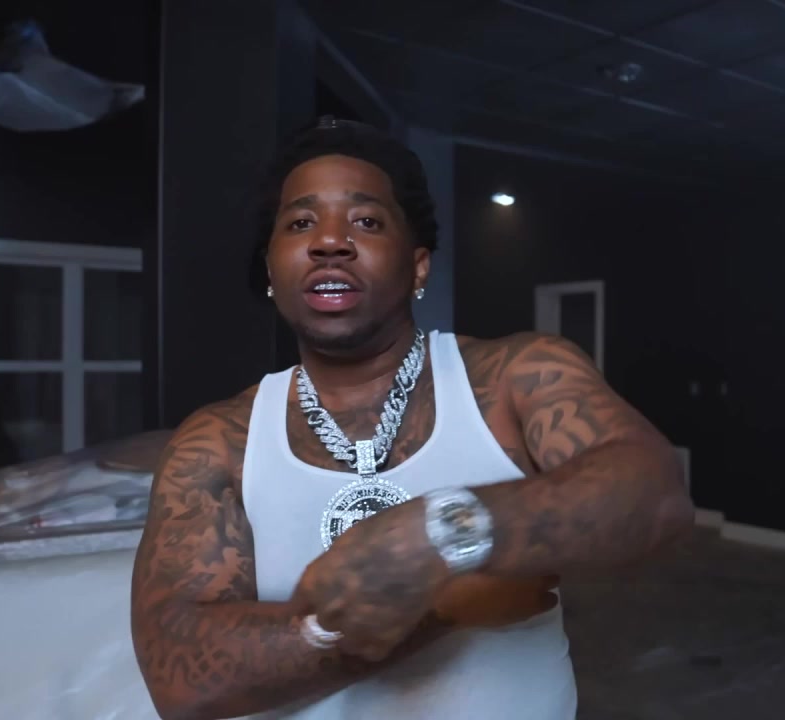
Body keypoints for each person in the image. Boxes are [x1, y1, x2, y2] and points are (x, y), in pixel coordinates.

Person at [129, 116, 693, 720]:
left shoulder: (515, 376)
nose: (330, 242)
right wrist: (435, 607)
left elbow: (655, 496)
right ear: (271, 270)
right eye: (300, 223)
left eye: (366, 221)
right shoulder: (219, 441)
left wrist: (444, 533)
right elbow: (179, 679)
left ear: (419, 266)